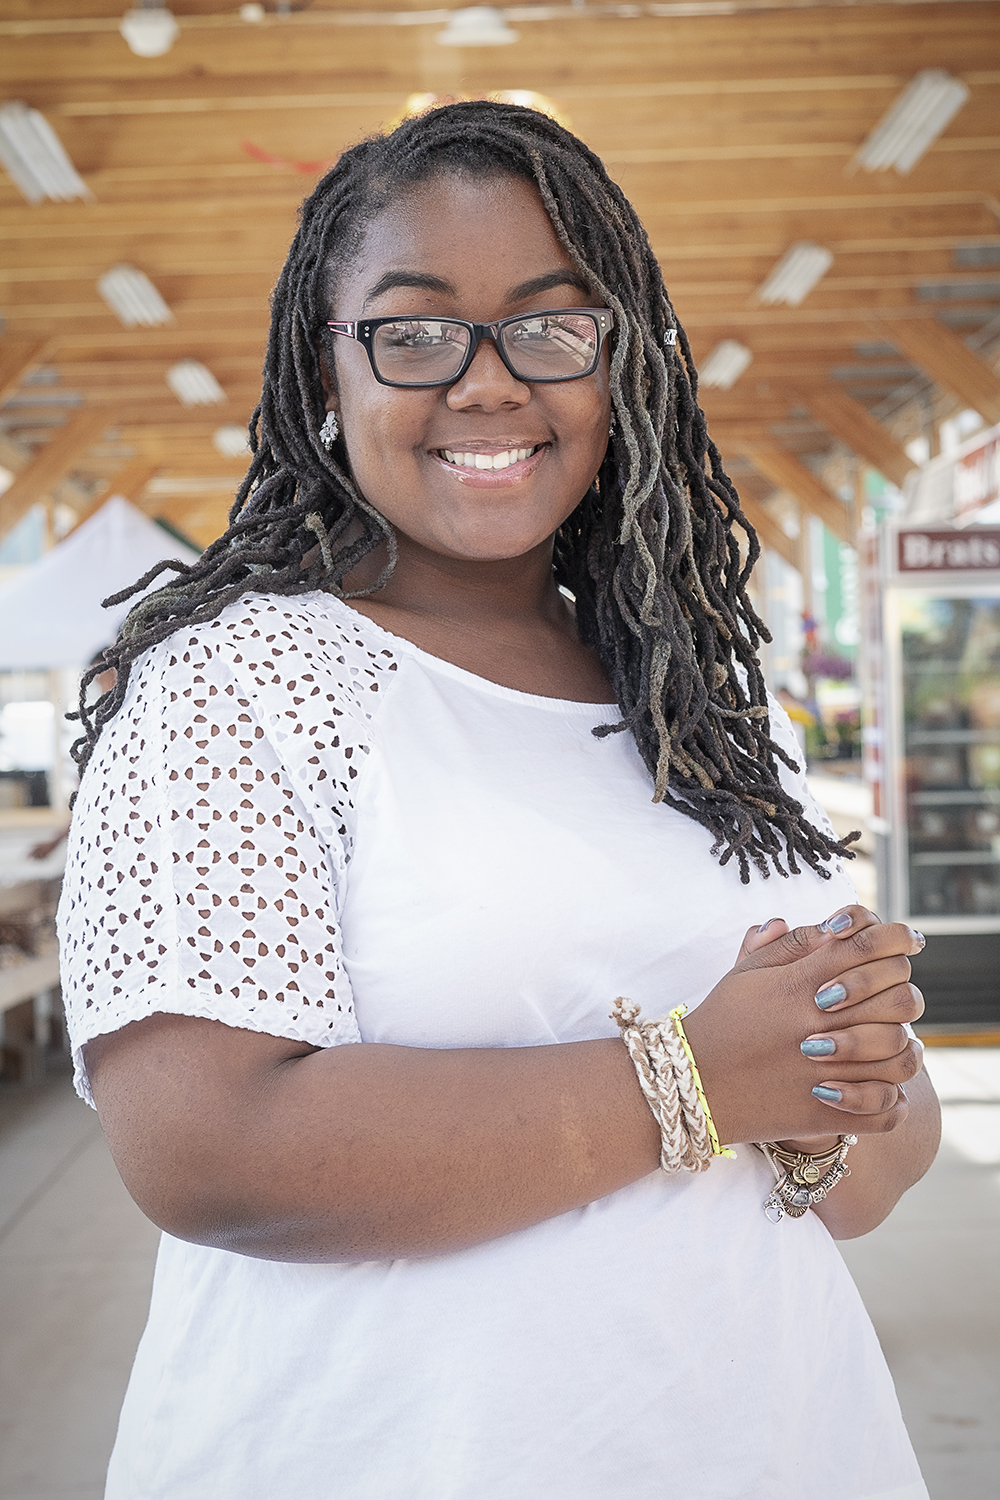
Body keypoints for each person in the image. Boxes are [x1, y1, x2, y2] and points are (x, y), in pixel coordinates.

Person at [57, 100, 939, 1500]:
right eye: (414, 331)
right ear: (322, 371)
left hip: (778, 1445)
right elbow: (203, 1149)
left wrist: (825, 1082)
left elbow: (884, 1162)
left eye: (550, 325)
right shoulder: (240, 684)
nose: (487, 384)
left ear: (618, 366)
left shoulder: (696, 698)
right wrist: (700, 1079)